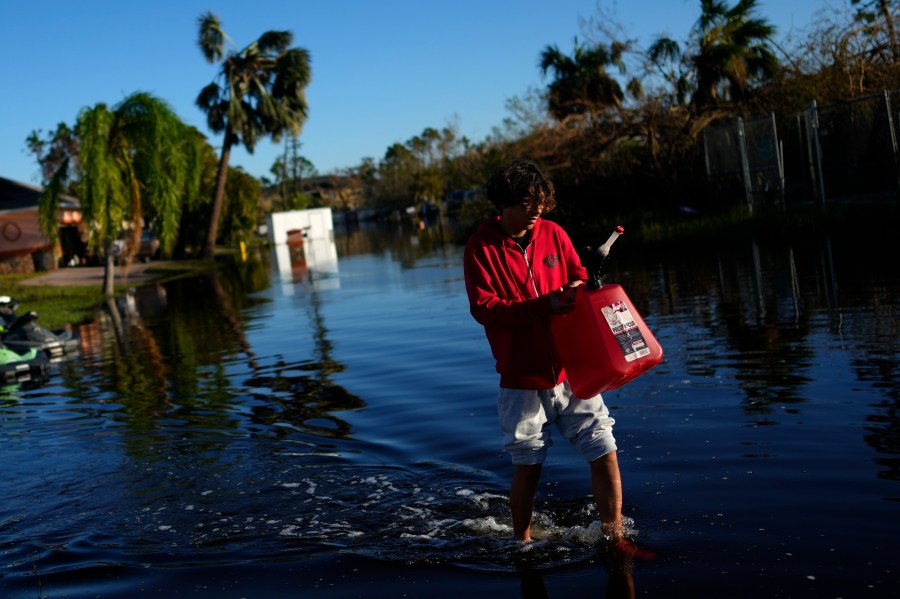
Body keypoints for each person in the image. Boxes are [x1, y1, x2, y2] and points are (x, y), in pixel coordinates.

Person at [463, 160, 647, 557]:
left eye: (541, 203)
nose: (537, 211)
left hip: (573, 369)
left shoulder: (554, 234)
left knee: (605, 448)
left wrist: (582, 283)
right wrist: (544, 305)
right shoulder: (480, 248)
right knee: (528, 466)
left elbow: (577, 275)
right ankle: (523, 545)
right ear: (505, 202)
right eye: (529, 203)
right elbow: (486, 310)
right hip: (521, 377)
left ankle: (616, 538)